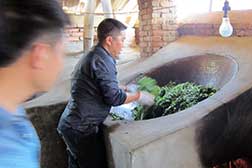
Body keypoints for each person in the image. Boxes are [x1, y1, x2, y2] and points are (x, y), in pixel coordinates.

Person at [57, 18, 153, 168]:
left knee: (77, 163)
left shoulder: (95, 55)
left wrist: (122, 87)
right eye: (122, 40)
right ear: (109, 40)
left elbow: (96, 84)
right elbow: (114, 98)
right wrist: (139, 96)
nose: (123, 45)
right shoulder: (102, 61)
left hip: (72, 123)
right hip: (80, 128)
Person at [0, 0, 70, 168]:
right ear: (41, 55)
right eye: (62, 53)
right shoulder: (9, 154)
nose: (61, 64)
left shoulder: (12, 108)